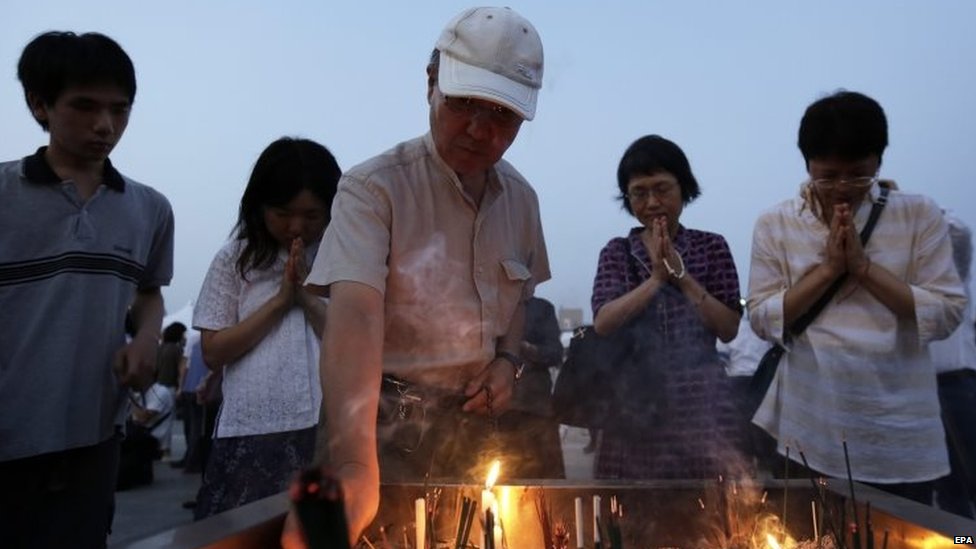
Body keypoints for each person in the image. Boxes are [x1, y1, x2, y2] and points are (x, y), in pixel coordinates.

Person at [291, 7, 549, 544]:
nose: (479, 131)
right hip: (379, 428)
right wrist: (356, 464)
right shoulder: (374, 188)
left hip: (475, 430)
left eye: (501, 115)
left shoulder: (521, 200)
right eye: (463, 105)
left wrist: (506, 363)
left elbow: (518, 301)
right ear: (431, 83)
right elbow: (356, 318)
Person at [747, 90, 966, 503]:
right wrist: (830, 269)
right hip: (809, 428)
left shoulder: (918, 214)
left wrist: (864, 268)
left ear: (879, 162)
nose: (843, 188)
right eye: (827, 176)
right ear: (807, 165)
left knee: (917, 538)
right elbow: (761, 318)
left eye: (858, 174)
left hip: (899, 436)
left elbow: (948, 312)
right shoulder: (776, 223)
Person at [0, 31, 174, 548]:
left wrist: (145, 338)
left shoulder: (148, 209)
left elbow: (148, 293)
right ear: (40, 105)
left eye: (120, 110)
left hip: (94, 439)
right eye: (84, 106)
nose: (105, 125)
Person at [191, 137, 340, 519]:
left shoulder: (343, 258)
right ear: (259, 207)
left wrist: (306, 296)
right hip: (254, 425)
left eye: (311, 215)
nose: (296, 227)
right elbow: (213, 351)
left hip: (330, 422)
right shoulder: (235, 258)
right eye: (283, 213)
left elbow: (352, 342)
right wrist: (279, 302)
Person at [590, 134, 743, 479]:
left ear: (684, 188)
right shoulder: (617, 251)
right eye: (639, 193)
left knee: (707, 517)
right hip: (632, 409)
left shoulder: (712, 246)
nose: (652, 202)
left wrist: (682, 276)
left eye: (662, 189)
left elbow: (729, 328)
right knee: (629, 516)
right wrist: (656, 280)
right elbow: (603, 322)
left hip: (702, 407)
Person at [931, 214, 976, 517]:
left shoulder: (952, 277)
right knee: (945, 484)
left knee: (968, 472)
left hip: (956, 386)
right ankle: (961, 540)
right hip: (920, 391)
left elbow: (958, 233)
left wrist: (916, 213)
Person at [497, 296, 565, 478]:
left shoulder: (542, 308)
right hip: (497, 413)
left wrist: (526, 349)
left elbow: (555, 353)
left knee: (545, 480)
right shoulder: (494, 305)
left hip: (536, 411)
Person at [157, 321, 187, 390]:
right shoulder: (177, 350)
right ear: (178, 335)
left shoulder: (160, 347)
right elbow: (181, 371)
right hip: (170, 387)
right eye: (184, 335)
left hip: (156, 386)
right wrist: (180, 389)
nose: (185, 338)